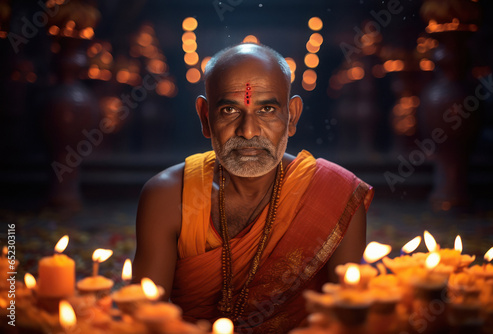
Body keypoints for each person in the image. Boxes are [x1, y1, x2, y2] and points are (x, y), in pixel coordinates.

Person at [132, 43, 373, 333]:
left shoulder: (336, 195)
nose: (248, 131)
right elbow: (144, 320)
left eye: (267, 109)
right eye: (230, 110)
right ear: (205, 117)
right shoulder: (168, 198)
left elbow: (348, 322)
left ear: (292, 116)